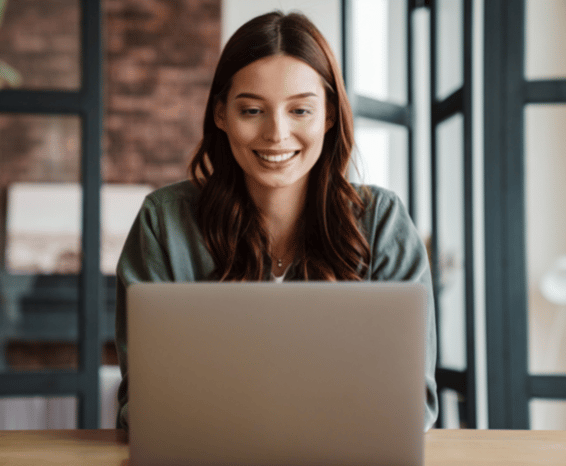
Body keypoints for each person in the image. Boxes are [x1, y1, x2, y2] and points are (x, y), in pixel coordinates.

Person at [114, 10, 438, 432]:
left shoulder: (382, 222)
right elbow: (142, 407)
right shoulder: (163, 222)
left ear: (329, 116)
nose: (276, 134)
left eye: (300, 111)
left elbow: (412, 405)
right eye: (252, 111)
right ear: (220, 114)